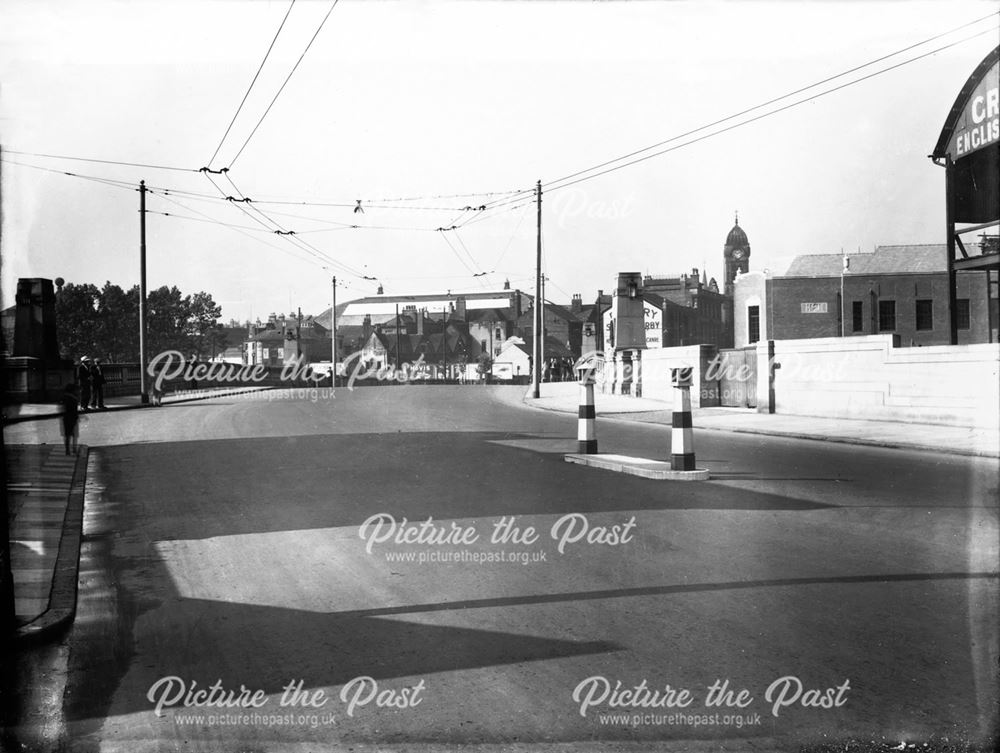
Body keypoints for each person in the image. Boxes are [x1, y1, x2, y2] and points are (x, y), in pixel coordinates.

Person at [60, 383, 80, 455]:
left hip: (66, 418)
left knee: (68, 435)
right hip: (72, 418)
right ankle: (74, 449)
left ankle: (68, 450)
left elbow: (63, 408)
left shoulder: (64, 397)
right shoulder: (73, 398)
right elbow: (74, 409)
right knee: (74, 435)